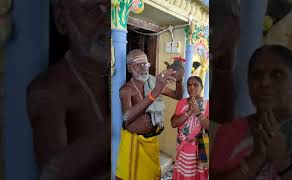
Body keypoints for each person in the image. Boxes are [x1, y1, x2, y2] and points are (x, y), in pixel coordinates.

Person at [210, 1, 292, 179]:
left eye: (277, 74)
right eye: (256, 75)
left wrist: (283, 163)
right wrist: (255, 159)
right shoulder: (229, 133)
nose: (265, 82)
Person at [26, 0, 109, 179]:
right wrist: (122, 119)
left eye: (112, 9)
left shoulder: (115, 77)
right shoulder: (48, 89)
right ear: (62, 20)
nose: (109, 20)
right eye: (92, 9)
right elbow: (51, 175)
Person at [115, 49, 184, 180]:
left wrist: (179, 80)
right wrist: (155, 92)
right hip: (133, 143)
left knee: (151, 176)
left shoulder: (153, 82)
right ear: (130, 68)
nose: (143, 68)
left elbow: (177, 95)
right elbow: (126, 117)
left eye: (145, 64)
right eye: (138, 64)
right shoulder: (126, 90)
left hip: (151, 140)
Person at [171, 76, 209, 180]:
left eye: (195, 84)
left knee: (199, 174)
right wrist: (189, 111)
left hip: (201, 145)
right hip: (185, 146)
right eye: (189, 85)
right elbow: (173, 123)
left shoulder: (207, 105)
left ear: (202, 87)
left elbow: (209, 126)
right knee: (185, 174)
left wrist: (197, 112)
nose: (192, 87)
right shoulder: (182, 103)